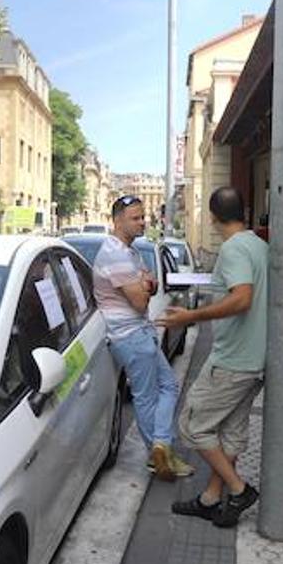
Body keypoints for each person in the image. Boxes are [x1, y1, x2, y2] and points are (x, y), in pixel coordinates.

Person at [161, 186, 270, 528]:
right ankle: (211, 498)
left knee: (192, 426)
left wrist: (189, 317)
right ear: (245, 210)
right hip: (255, 359)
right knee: (230, 433)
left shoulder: (234, 249)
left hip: (233, 360)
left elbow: (242, 299)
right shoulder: (259, 245)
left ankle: (238, 490)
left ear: (212, 217)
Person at [92, 194, 193, 481]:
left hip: (140, 332)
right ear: (116, 221)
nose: (141, 223)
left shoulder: (130, 251)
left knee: (169, 386)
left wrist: (145, 285)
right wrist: (144, 287)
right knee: (147, 396)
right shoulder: (115, 254)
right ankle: (159, 453)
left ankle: (161, 446)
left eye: (142, 217)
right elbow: (139, 300)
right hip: (130, 335)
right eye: (135, 218)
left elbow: (151, 281)